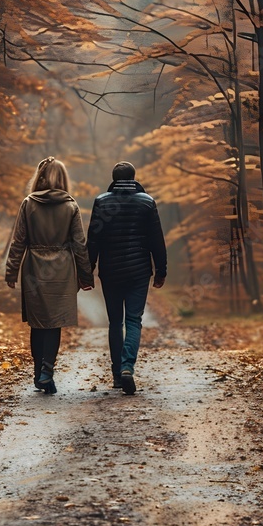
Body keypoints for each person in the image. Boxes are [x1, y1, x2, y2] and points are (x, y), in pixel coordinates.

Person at [5, 156, 93, 394]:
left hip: (34, 267)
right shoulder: (71, 206)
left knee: (37, 322)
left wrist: (12, 270)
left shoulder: (28, 203)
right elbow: (79, 245)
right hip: (62, 270)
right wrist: (86, 276)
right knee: (54, 323)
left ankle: (37, 373)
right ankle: (47, 371)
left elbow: (18, 241)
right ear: (62, 178)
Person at [87, 161, 167, 395]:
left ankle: (116, 375)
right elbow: (156, 239)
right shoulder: (147, 202)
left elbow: (94, 239)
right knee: (134, 321)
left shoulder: (102, 201)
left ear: (113, 178)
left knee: (115, 323)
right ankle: (127, 368)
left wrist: (87, 271)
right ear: (134, 177)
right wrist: (161, 270)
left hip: (110, 271)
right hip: (139, 272)